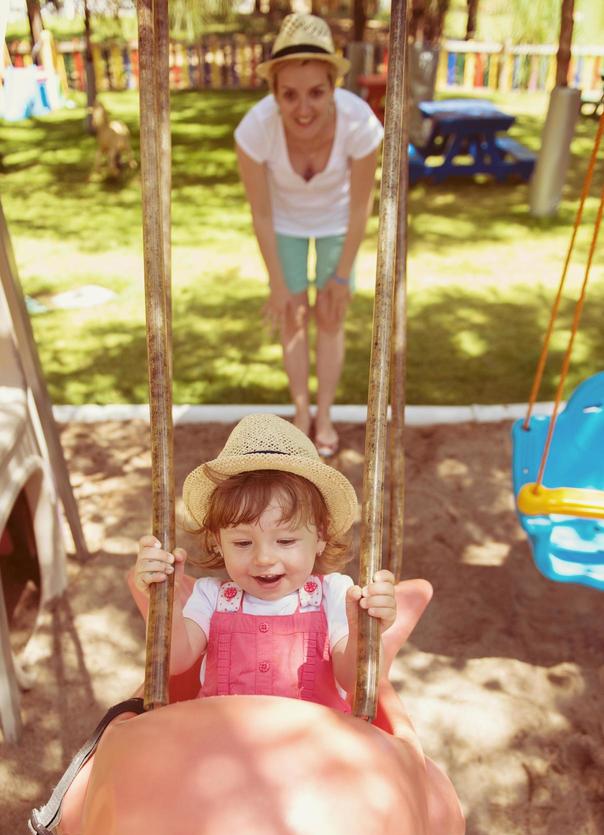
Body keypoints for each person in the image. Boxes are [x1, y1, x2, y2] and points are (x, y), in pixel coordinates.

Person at [133, 413, 396, 709]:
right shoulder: (211, 597)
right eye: (243, 543)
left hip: (313, 746)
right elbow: (175, 661)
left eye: (285, 541)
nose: (264, 558)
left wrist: (365, 633)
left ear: (320, 537)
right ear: (217, 543)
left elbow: (354, 681)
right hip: (221, 740)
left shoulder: (334, 595)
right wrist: (164, 603)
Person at [234, 14, 384, 457]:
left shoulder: (360, 125)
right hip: (284, 224)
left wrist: (340, 276)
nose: (303, 108)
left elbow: (361, 206)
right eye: (290, 95)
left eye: (316, 92)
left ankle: (326, 413)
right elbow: (260, 214)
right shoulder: (254, 130)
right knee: (293, 316)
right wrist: (278, 284)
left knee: (332, 316)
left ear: (334, 87)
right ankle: (301, 413)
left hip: (339, 222)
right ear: (274, 94)